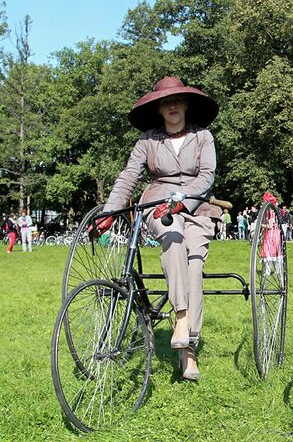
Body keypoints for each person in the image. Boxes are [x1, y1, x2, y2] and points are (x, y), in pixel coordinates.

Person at [95, 76, 221, 381]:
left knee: (194, 264)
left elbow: (206, 177)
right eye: (166, 102)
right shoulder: (147, 141)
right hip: (158, 204)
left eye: (177, 100)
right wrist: (111, 211)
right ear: (159, 110)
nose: (173, 106)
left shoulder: (203, 137)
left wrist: (186, 202)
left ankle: (188, 348)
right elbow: (128, 177)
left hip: (198, 206)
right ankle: (182, 318)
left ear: (187, 104)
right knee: (173, 238)